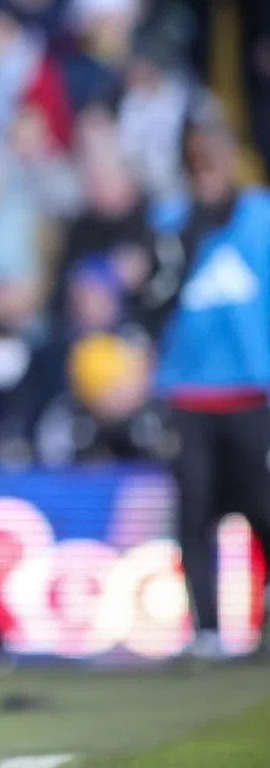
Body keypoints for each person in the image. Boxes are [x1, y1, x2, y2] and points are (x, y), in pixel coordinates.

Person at [149, 116, 270, 659]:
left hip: (252, 393)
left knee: (261, 511)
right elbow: (152, 302)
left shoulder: (262, 219)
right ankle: (205, 630)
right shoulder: (172, 224)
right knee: (194, 516)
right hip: (188, 395)